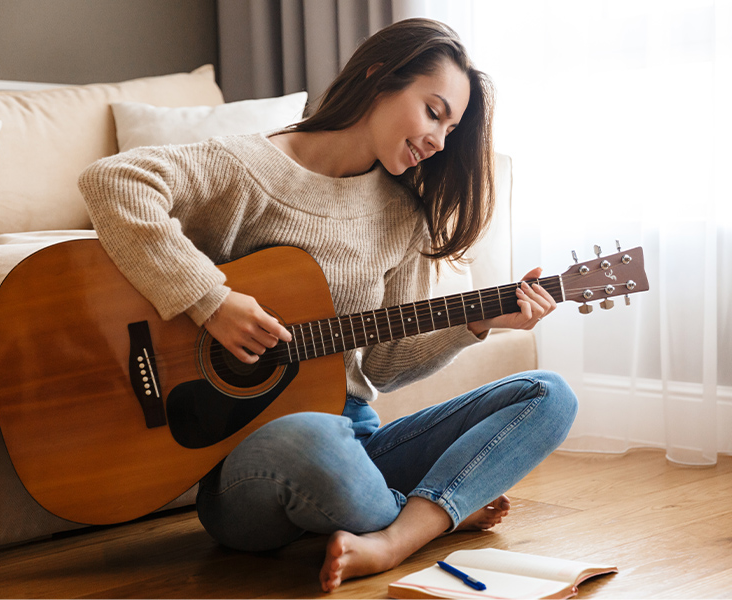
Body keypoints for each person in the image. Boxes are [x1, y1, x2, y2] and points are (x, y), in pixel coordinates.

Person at [78, 18, 578, 593]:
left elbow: (385, 366)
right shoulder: (247, 168)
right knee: (312, 437)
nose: (440, 141)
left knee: (549, 394)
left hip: (355, 442)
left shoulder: (402, 217)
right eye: (434, 111)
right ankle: (435, 516)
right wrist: (210, 300)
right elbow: (114, 181)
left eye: (452, 128)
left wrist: (475, 322)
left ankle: (390, 536)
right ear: (378, 77)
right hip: (252, 466)